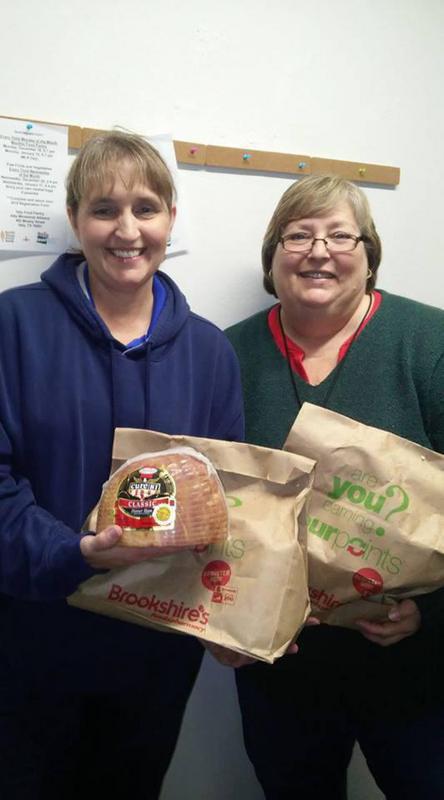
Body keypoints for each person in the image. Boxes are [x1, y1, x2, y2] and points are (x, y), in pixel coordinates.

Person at [0, 130, 244, 799]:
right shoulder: (12, 326)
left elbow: (228, 504)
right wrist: (74, 551)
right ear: (76, 221)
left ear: (170, 220)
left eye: (145, 208)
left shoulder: (210, 351)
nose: (126, 229)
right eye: (104, 209)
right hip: (32, 635)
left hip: (155, 651)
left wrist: (232, 614)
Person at [223, 174, 444, 800]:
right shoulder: (226, 354)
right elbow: (203, 499)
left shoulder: (430, 344)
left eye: (340, 235)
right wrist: (219, 621)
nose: (319, 251)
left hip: (412, 663)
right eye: (298, 236)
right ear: (272, 258)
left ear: (369, 254)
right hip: (278, 668)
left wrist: (428, 615)